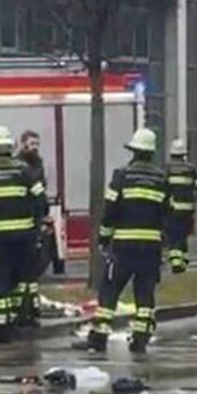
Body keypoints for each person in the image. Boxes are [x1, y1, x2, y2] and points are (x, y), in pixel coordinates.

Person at [84, 128, 171, 355]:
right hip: (150, 246)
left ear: (133, 151)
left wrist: (103, 237)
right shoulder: (161, 179)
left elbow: (110, 209)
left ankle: (100, 337)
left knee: (110, 289)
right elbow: (168, 213)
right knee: (144, 291)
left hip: (123, 245)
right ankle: (141, 337)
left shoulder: (121, 176)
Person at [0, 126, 47, 343]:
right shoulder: (25, 171)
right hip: (23, 236)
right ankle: (21, 315)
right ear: (10, 147)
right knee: (21, 277)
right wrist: (34, 223)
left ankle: (2, 323)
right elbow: (41, 202)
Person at [17, 130, 50, 326]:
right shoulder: (21, 167)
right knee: (23, 271)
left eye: (37, 143)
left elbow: (41, 194)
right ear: (23, 144)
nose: (35, 147)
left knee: (33, 270)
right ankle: (23, 309)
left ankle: (31, 307)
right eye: (31, 143)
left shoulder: (38, 165)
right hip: (23, 223)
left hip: (34, 223)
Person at [164, 138, 197, 275]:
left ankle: (176, 263)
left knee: (174, 236)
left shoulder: (167, 169)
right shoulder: (191, 169)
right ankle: (184, 262)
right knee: (183, 236)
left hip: (172, 209)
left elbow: (163, 187)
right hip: (188, 209)